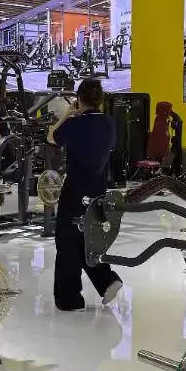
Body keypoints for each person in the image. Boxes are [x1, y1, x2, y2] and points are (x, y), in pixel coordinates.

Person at [46, 77, 123, 311]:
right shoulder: (109, 124)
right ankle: (106, 280)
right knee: (89, 237)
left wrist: (68, 114)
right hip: (98, 188)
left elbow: (51, 137)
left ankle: (69, 298)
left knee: (67, 241)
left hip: (75, 188)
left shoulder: (74, 124)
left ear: (79, 99)